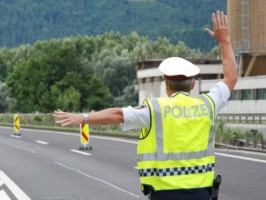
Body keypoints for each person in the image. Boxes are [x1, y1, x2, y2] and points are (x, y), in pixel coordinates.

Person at [53, 10, 237, 200]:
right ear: (192, 84)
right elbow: (231, 79)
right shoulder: (207, 105)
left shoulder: (154, 110)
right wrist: (224, 41)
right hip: (201, 194)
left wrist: (83, 118)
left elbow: (118, 115)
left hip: (164, 195)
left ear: (166, 83)